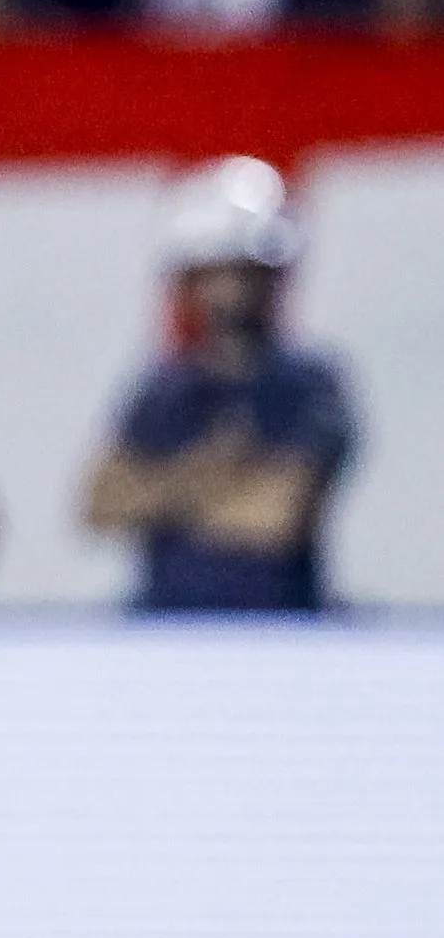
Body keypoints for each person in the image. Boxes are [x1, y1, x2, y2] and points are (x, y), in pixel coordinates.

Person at [84, 158, 357, 612]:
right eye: (216, 272)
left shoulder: (310, 384)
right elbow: (101, 506)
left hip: (278, 627)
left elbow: (276, 517)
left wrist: (159, 492)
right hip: (163, 627)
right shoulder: (164, 387)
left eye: (246, 271)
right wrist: (213, 477)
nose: (231, 290)